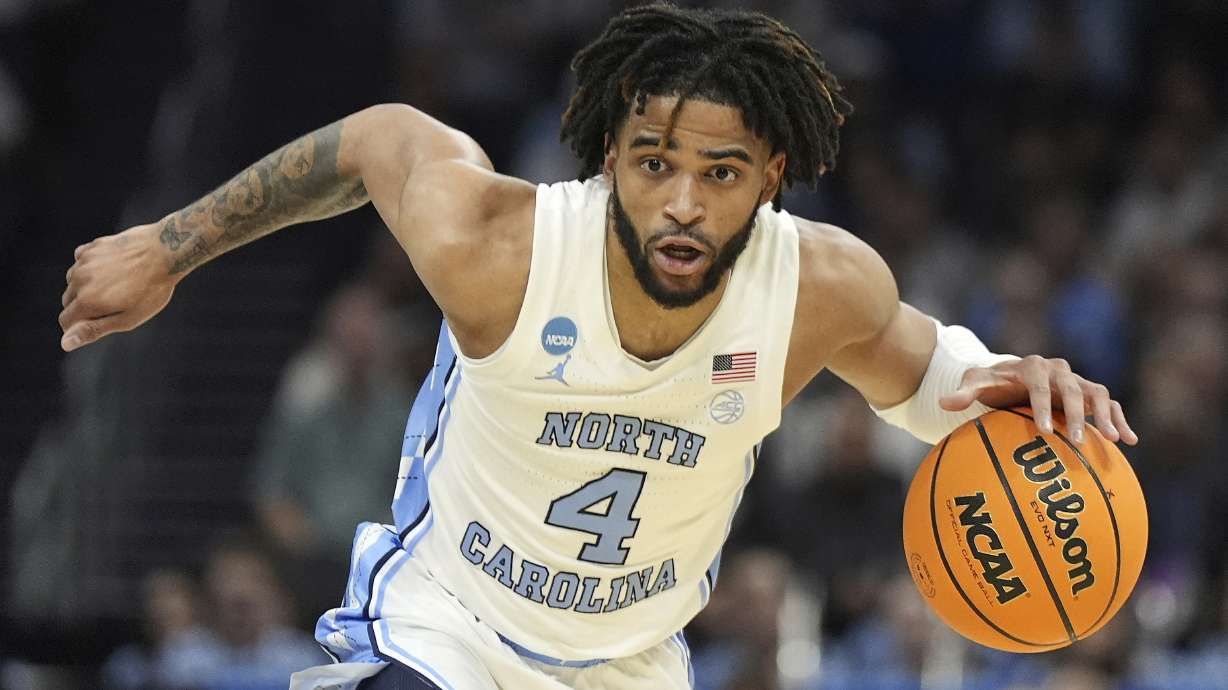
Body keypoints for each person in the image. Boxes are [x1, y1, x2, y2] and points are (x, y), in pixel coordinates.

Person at [58, 5, 1138, 690]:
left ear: (769, 178)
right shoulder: (504, 249)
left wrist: (1010, 386)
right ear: (609, 151)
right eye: (653, 162)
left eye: (717, 174)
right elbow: (377, 140)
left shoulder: (819, 287)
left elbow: (935, 387)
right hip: (453, 630)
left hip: (628, 661)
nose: (678, 203)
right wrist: (171, 242)